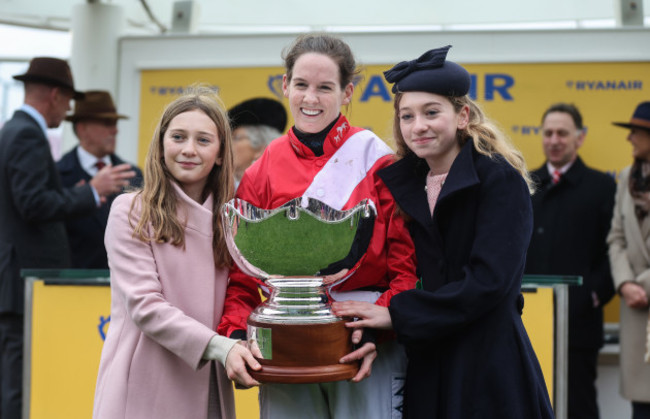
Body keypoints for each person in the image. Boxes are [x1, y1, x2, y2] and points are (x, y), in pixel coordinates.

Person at [332, 45, 554, 418]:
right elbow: (398, 270)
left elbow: (489, 282)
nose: (418, 126)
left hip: (489, 365)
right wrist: (371, 330)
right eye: (407, 116)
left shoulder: (499, 180)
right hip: (428, 362)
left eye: (431, 112)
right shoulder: (404, 185)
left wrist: (396, 314)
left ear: (462, 115)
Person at [217, 33, 417, 419]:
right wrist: (238, 336)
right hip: (286, 344)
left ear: (347, 93)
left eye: (325, 87)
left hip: (367, 345)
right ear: (285, 85)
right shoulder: (261, 171)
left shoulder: (379, 161)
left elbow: (405, 267)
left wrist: (380, 327)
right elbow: (241, 273)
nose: (311, 98)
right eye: (302, 85)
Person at [93, 86, 261, 419]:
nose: (188, 150)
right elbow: (146, 306)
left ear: (221, 153)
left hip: (208, 382)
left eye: (203, 140)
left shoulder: (231, 218)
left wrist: (242, 341)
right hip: (143, 386)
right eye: (178, 137)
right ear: (160, 145)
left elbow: (240, 295)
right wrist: (222, 348)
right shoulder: (130, 210)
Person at [0, 57, 134, 419]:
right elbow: (32, 203)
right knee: (19, 379)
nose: (68, 110)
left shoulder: (17, 130)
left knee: (22, 375)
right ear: (56, 96)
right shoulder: (27, 133)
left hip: (28, 282)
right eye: (69, 102)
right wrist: (88, 192)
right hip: (26, 281)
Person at [525, 103, 616, 419]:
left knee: (578, 406)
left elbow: (613, 251)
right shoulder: (526, 184)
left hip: (578, 325)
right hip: (527, 322)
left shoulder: (602, 187)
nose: (554, 140)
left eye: (562, 133)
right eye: (548, 133)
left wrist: (592, 295)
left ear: (580, 137)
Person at [57, 90, 144, 269]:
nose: (115, 130)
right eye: (107, 123)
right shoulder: (58, 174)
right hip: (73, 288)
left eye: (115, 123)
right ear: (82, 129)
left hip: (125, 286)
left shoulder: (134, 175)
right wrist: (86, 194)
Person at [607, 101, 650, 419]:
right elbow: (616, 237)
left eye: (635, 132)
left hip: (642, 292)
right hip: (637, 310)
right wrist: (625, 282)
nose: (629, 138)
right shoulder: (627, 177)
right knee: (641, 404)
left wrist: (642, 284)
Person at [227, 97, 287, 185]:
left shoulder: (279, 189)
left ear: (261, 149)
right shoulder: (218, 190)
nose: (227, 144)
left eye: (236, 138)